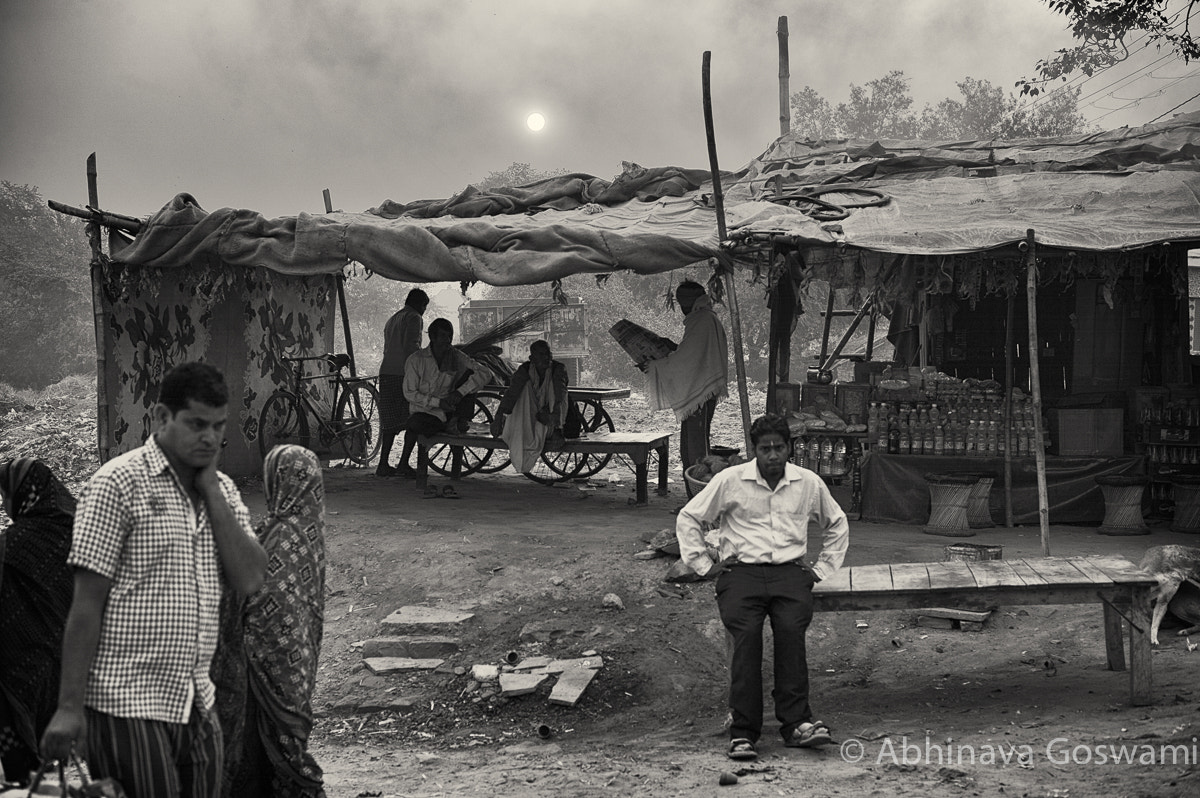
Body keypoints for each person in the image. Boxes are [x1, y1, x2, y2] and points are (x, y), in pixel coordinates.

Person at [40, 362, 269, 798]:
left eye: (217, 427)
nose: (209, 438)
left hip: (197, 698)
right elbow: (85, 606)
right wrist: (69, 707)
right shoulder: (116, 484)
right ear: (162, 418)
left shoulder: (221, 491)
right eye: (197, 424)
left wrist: (211, 490)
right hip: (125, 699)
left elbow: (251, 578)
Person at [675, 413, 849, 761]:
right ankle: (744, 733)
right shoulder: (730, 480)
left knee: (790, 634)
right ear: (754, 450)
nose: (773, 455)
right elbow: (689, 517)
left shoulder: (808, 483)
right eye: (765, 449)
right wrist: (705, 566)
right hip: (741, 575)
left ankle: (797, 724)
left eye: (779, 448)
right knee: (747, 640)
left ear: (789, 448)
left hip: (790, 573)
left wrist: (822, 568)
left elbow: (837, 523)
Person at [212, 445, 326, 798]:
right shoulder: (311, 531)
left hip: (263, 665)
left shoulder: (276, 534)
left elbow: (257, 601)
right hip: (299, 666)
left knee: (253, 751)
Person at [0, 459, 76, 786]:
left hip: (20, 672)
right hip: (70, 670)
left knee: (19, 761)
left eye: (5, 496)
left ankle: (22, 784)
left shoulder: (11, 545)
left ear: (25, 494)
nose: (4, 505)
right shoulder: (81, 531)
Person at [644, 280, 728, 469]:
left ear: (688, 303)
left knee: (696, 445)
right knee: (694, 441)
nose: (682, 309)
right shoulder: (707, 318)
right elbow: (693, 353)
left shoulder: (701, 320)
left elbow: (687, 359)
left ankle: (697, 482)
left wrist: (655, 365)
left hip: (700, 390)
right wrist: (672, 347)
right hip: (704, 388)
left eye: (682, 304)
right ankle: (694, 480)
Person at [394, 318, 493, 475]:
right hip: (425, 412)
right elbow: (409, 393)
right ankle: (448, 427)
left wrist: (460, 392)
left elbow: (485, 373)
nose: (447, 341)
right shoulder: (416, 360)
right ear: (432, 337)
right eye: (443, 336)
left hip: (451, 410)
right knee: (413, 424)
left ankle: (453, 423)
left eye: (450, 336)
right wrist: (437, 403)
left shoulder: (456, 356)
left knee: (471, 382)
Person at [489, 339, 570, 473]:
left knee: (555, 390)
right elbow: (511, 394)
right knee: (524, 387)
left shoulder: (558, 369)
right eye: (541, 354)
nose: (546, 357)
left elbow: (559, 397)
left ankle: (556, 429)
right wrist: (498, 418)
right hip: (530, 416)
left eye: (548, 353)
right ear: (532, 358)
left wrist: (556, 425)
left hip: (552, 419)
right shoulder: (525, 369)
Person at [376, 288, 429, 478]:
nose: (424, 311)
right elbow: (411, 347)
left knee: (389, 422)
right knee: (413, 419)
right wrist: (426, 362)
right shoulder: (414, 318)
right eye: (424, 306)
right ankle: (403, 464)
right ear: (419, 304)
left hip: (386, 371)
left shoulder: (393, 319)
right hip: (403, 373)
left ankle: (383, 464)